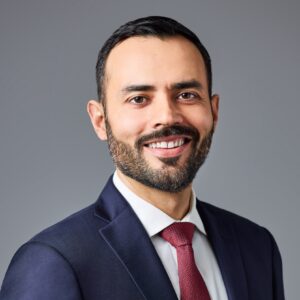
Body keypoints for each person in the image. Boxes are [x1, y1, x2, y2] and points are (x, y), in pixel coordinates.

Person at [0, 16, 285, 300]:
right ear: (100, 120)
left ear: (214, 111)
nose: (167, 117)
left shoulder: (256, 246)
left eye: (186, 94)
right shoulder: (53, 262)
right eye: (139, 99)